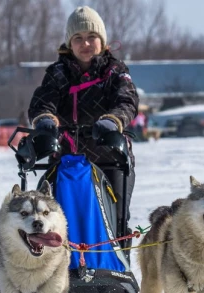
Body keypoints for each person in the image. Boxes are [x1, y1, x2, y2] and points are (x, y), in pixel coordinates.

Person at [28, 6, 139, 237]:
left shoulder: (116, 71)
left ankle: (117, 256)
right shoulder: (57, 73)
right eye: (78, 38)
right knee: (52, 215)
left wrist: (113, 121)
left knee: (115, 218)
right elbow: (43, 101)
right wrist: (46, 120)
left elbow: (127, 100)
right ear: (70, 43)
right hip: (66, 158)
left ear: (102, 40)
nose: (85, 44)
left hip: (110, 157)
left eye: (91, 37)